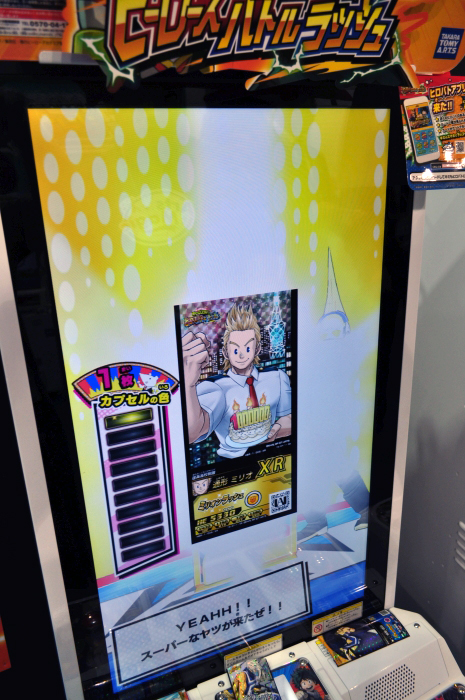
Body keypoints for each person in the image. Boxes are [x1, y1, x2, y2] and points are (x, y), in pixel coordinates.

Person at [182, 302, 291, 459]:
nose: (241, 355)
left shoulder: (277, 377)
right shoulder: (216, 388)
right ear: (225, 352)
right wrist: (188, 384)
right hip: (230, 463)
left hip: (272, 458)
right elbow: (192, 433)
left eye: (247, 348)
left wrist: (276, 430)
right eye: (235, 349)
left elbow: (290, 418)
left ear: (257, 349)